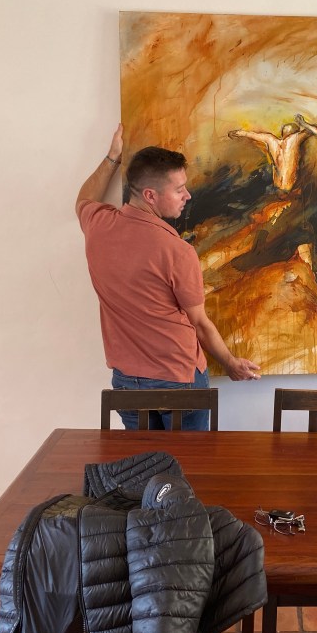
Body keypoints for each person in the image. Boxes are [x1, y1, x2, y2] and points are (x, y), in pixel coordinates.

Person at [76, 123, 260, 430]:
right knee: (188, 458)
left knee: (146, 459)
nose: (187, 195)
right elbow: (199, 323)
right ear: (150, 195)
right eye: (178, 189)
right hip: (178, 379)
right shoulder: (177, 251)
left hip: (127, 382)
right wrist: (230, 363)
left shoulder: (98, 226)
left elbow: (83, 199)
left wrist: (112, 157)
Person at [228, 104, 317, 194]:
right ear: (295, 132)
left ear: (283, 132)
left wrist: (236, 132)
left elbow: (252, 134)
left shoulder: (271, 140)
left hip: (276, 186)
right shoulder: (294, 139)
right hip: (288, 187)